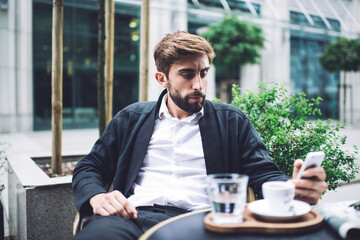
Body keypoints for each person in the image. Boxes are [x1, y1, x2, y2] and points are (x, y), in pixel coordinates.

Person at [72, 31, 327, 239]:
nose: (199, 85)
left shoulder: (232, 122)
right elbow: (90, 166)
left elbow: (264, 173)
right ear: (162, 78)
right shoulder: (130, 118)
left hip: (201, 221)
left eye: (203, 73)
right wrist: (97, 197)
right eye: (187, 74)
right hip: (129, 217)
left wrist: (293, 189)